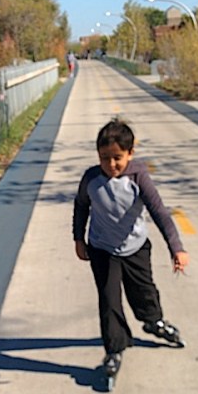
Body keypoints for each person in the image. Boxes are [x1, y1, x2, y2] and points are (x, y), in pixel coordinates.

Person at [72, 118, 189, 378]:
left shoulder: (138, 176)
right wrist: (78, 238)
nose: (110, 165)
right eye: (104, 158)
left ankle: (153, 321)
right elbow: (81, 206)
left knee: (143, 290)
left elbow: (159, 212)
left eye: (117, 158)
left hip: (136, 247)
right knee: (109, 299)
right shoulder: (91, 178)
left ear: (130, 153)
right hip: (102, 249)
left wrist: (176, 248)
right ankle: (114, 349)